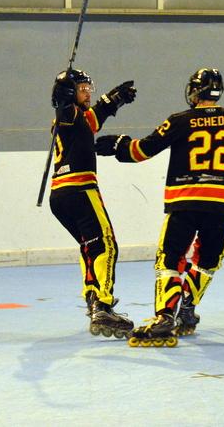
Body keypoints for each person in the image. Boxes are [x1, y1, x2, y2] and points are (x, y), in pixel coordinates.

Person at [95, 68, 224, 346]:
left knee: (170, 259)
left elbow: (143, 150)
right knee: (207, 262)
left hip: (185, 200)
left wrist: (119, 145)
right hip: (222, 204)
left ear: (194, 91)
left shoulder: (180, 120)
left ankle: (164, 317)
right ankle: (187, 309)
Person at [48, 69, 137, 339]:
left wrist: (114, 99)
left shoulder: (78, 118)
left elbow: (95, 118)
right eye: (82, 89)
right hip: (80, 189)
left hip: (60, 194)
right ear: (68, 93)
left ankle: (92, 297)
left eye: (89, 88)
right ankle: (103, 305)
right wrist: (64, 98)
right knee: (107, 245)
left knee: (90, 246)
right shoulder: (68, 114)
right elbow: (69, 112)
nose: (88, 93)